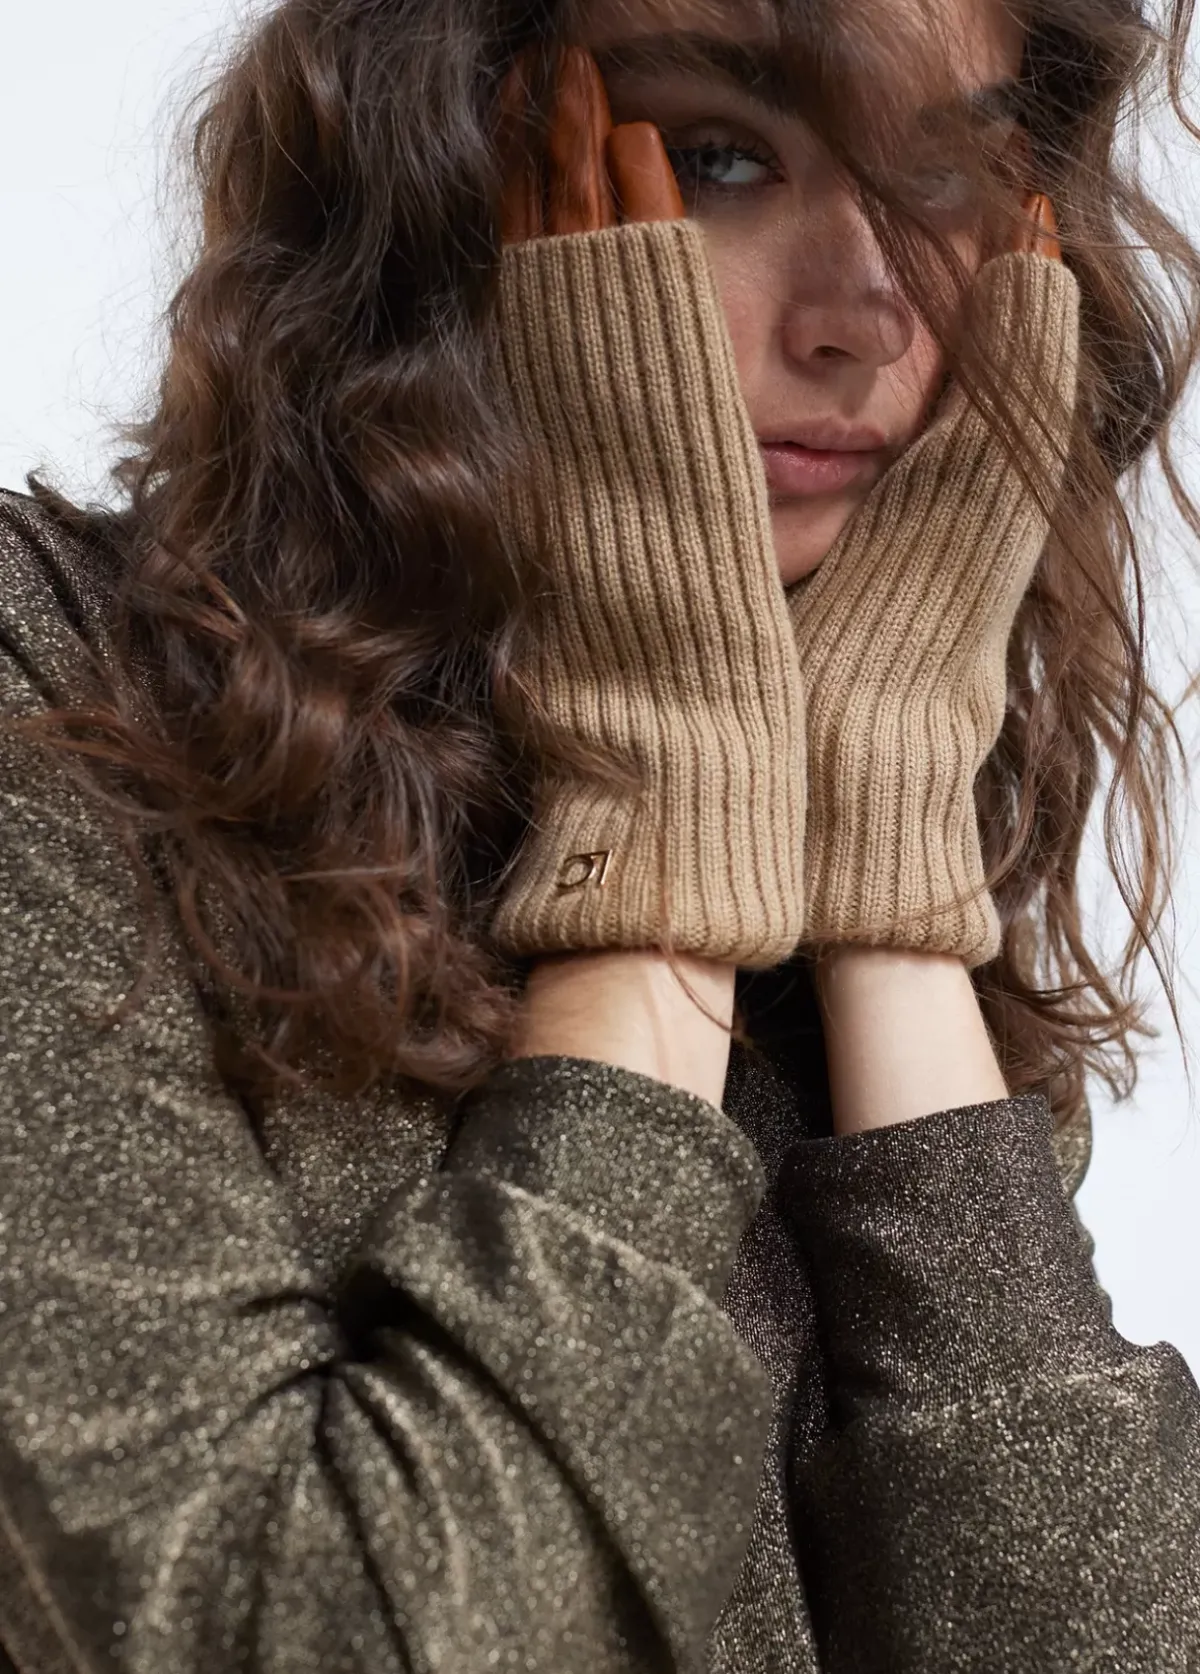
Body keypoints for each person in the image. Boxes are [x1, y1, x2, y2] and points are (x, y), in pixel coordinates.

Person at [0, 0, 1198, 1664]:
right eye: (716, 159)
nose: (867, 317)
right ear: (442, 170)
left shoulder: (859, 738)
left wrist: (894, 890)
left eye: (946, 177)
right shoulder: (59, 692)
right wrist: (657, 811)